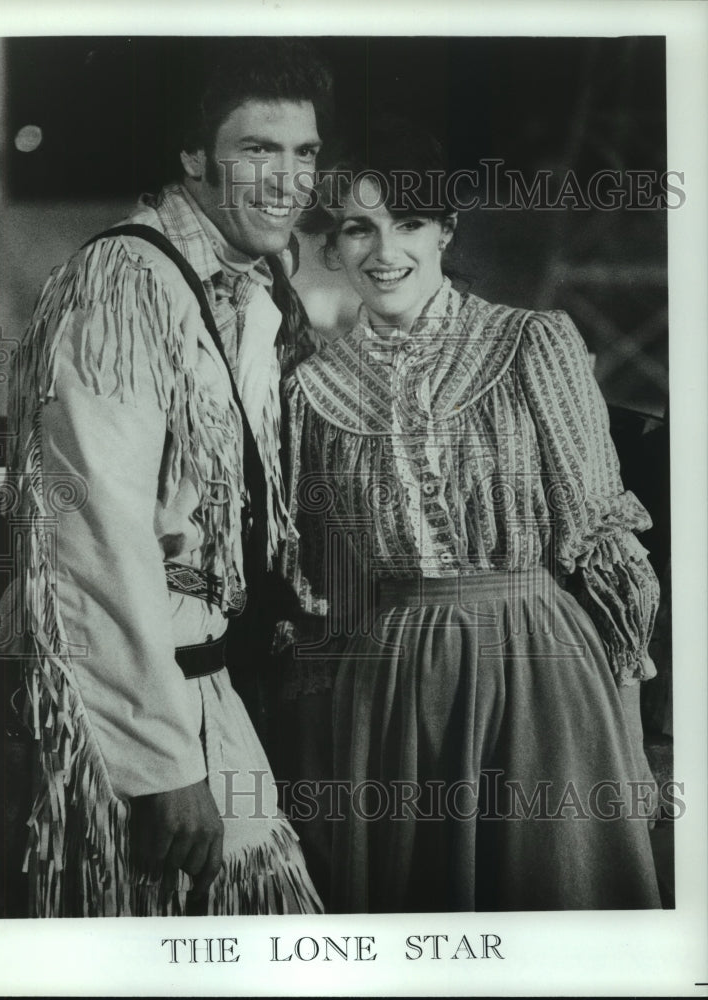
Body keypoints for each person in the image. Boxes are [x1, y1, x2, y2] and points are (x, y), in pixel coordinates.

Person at [277, 119, 663, 912]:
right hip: (386, 695)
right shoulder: (311, 393)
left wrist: (628, 726)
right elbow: (324, 589)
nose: (386, 250)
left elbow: (604, 543)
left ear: (446, 230)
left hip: (538, 668)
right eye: (359, 227)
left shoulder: (532, 343)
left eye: (409, 221)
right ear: (333, 247)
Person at [0, 38, 331, 917]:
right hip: (125, 707)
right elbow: (89, 537)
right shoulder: (126, 283)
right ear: (194, 159)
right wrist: (160, 764)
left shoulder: (244, 288)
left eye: (305, 153)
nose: (288, 179)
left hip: (201, 679)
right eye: (257, 150)